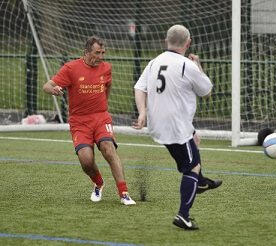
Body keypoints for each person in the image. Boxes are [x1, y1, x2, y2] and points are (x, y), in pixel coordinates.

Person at [132, 25, 222, 230]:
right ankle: (184, 215)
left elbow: (139, 87)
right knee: (191, 167)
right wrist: (198, 64)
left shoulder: (154, 62)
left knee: (195, 139)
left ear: (166, 42)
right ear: (188, 43)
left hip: (159, 124)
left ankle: (200, 182)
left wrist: (142, 112)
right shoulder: (187, 65)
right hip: (176, 127)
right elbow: (207, 92)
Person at [43, 36, 136, 205]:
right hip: (79, 121)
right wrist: (54, 89)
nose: (100, 57)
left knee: (108, 149)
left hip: (101, 117)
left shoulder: (106, 68)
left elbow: (107, 87)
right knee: (86, 160)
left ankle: (124, 193)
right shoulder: (71, 68)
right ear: (86, 52)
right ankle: (99, 183)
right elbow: (47, 85)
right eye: (97, 53)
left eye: (102, 53)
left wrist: (102, 107)